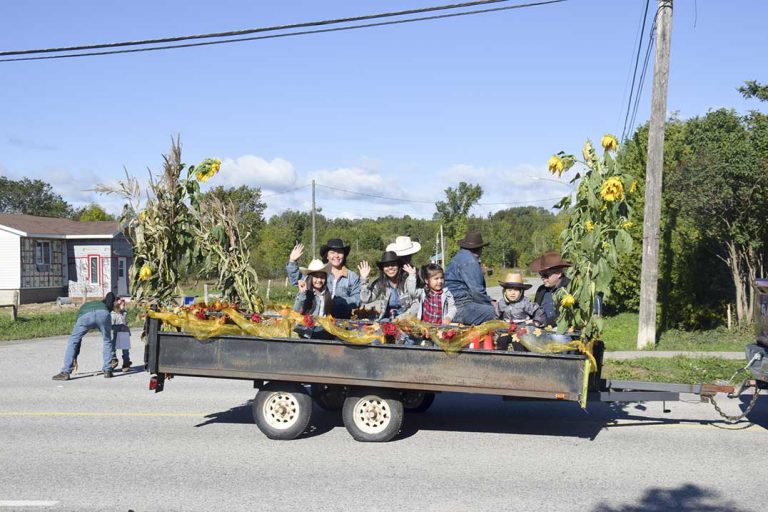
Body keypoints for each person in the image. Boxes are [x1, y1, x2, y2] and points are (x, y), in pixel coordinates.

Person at [286, 239, 361, 319]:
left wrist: (339, 302)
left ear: (344, 255)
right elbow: (297, 280)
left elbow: (358, 298)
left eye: (339, 252)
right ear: (327, 256)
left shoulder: (352, 277)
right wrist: (292, 261)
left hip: (342, 320)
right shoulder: (319, 271)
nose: (336, 256)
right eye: (332, 252)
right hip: (318, 319)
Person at [52, 292, 117, 381]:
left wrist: (75, 357)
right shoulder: (103, 306)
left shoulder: (85, 306)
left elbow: (78, 341)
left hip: (85, 315)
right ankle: (108, 370)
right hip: (103, 314)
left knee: (73, 341)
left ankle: (65, 372)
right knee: (107, 340)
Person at [444, 231, 496, 325]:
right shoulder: (470, 261)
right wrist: (490, 303)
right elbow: (477, 292)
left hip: (451, 304)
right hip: (461, 307)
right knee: (499, 312)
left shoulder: (459, 257)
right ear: (480, 248)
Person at [358, 251, 417, 320]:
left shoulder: (407, 281)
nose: (390, 268)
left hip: (406, 319)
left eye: (393, 264)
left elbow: (415, 298)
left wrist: (412, 277)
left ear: (398, 266)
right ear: (383, 269)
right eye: (386, 265)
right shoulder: (380, 283)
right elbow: (365, 299)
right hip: (387, 319)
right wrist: (364, 279)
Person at [529, 251, 572, 327]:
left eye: (545, 275)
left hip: (564, 333)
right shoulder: (541, 290)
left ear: (559, 274)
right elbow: (535, 311)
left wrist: (546, 322)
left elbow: (569, 316)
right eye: (541, 274)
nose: (543, 278)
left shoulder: (570, 288)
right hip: (542, 332)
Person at [111, 297, 132, 373]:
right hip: (116, 332)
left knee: (125, 349)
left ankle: (126, 363)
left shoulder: (124, 313)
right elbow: (111, 325)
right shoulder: (112, 314)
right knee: (112, 347)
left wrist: (122, 310)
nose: (123, 305)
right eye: (121, 303)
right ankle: (113, 360)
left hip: (124, 332)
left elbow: (124, 321)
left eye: (124, 303)